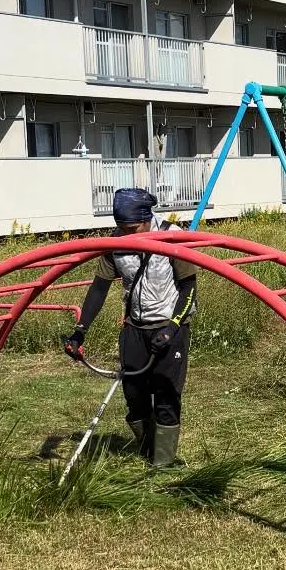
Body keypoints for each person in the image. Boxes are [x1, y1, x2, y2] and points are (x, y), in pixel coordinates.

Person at [64, 187, 198, 468]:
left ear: (148, 218)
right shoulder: (115, 244)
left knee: (166, 395)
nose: (127, 234)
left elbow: (189, 289)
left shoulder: (173, 237)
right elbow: (99, 289)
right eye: (121, 228)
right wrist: (80, 331)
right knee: (134, 396)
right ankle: (147, 451)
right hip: (134, 328)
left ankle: (163, 463)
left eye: (133, 228)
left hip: (169, 326)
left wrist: (172, 327)